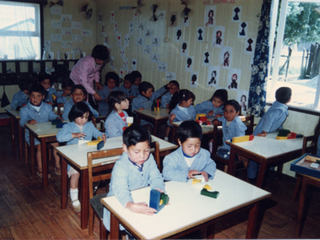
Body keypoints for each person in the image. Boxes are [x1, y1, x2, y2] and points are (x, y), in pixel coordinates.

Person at [102, 124, 165, 231]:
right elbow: (121, 191)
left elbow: (156, 177)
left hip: (140, 198)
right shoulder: (120, 166)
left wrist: (158, 190)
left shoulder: (149, 159)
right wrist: (130, 205)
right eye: (137, 152)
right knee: (138, 229)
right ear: (125, 148)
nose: (142, 156)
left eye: (146, 150)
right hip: (121, 202)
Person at [56, 102, 106, 212]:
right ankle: (74, 198)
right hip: (73, 157)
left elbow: (97, 133)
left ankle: (92, 188)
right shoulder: (68, 126)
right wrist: (73, 135)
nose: (84, 120)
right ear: (74, 116)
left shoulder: (89, 125)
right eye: (81, 117)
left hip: (87, 154)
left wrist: (102, 136)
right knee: (75, 174)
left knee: (97, 170)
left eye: (87, 117)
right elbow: (59, 137)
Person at [247, 87, 292, 181]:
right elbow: (270, 118)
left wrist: (282, 131)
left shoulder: (277, 106)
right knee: (254, 156)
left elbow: (278, 122)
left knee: (266, 154)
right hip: (260, 135)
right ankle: (251, 177)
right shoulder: (280, 109)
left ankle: (263, 173)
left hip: (265, 135)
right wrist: (264, 131)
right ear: (289, 99)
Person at [20, 83, 61, 178]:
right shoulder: (25, 109)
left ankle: (58, 166)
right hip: (32, 136)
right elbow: (22, 122)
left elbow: (52, 116)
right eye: (32, 96)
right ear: (29, 96)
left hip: (46, 133)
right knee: (40, 146)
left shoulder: (47, 107)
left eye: (38, 96)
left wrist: (57, 118)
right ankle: (40, 169)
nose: (35, 98)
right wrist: (28, 121)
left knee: (56, 144)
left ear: (43, 97)